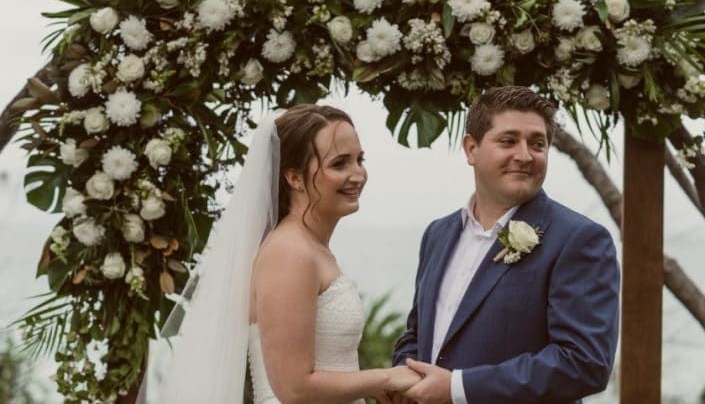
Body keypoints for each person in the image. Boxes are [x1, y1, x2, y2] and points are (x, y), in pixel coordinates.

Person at [152, 104, 419, 403]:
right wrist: (386, 376)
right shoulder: (289, 253)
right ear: (294, 177)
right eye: (340, 164)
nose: (358, 174)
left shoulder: (310, 246)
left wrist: (367, 385)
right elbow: (294, 388)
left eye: (360, 159)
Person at [391, 86, 620, 403]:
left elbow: (584, 363)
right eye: (508, 141)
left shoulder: (579, 240)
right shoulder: (438, 234)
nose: (525, 155)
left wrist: (458, 388)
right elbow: (418, 333)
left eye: (537, 144)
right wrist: (404, 374)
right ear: (471, 149)